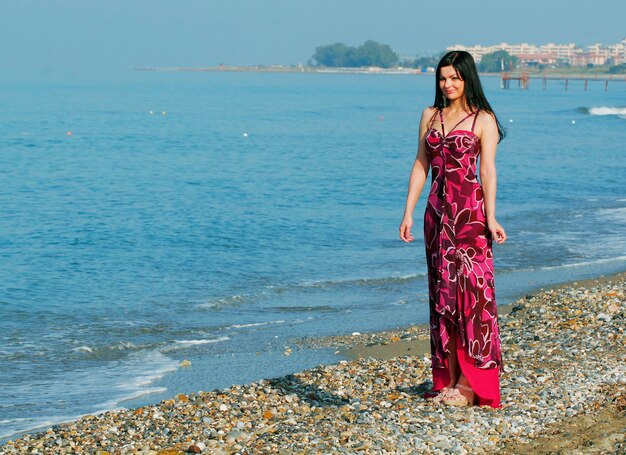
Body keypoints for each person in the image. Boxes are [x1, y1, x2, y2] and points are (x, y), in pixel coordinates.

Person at [399, 50, 507, 408]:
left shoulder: (483, 120)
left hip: (471, 217)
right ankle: (447, 376)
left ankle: (469, 383)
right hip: (437, 218)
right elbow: (420, 164)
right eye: (443, 78)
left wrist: (491, 217)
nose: (447, 85)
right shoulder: (429, 116)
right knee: (443, 296)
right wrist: (409, 212)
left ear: (467, 78)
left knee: (474, 297)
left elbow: (487, 171)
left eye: (454, 78)